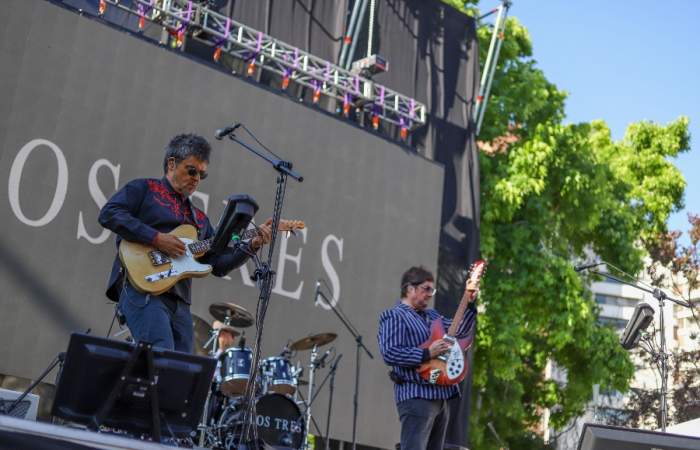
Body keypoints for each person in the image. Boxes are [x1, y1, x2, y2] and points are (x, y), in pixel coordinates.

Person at [99, 133, 271, 353]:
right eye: (192, 170)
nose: (196, 178)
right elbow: (109, 213)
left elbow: (218, 265)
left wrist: (253, 244)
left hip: (179, 302)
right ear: (172, 164)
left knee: (182, 368)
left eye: (202, 174)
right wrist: (157, 238)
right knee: (161, 354)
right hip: (142, 289)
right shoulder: (144, 189)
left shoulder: (199, 219)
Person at [378, 266, 478, 450]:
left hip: (440, 396)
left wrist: (470, 303)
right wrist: (427, 353)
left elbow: (460, 331)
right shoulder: (394, 316)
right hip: (416, 394)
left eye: (432, 290)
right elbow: (390, 352)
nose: (430, 294)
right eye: (426, 289)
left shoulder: (432, 316)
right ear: (410, 289)